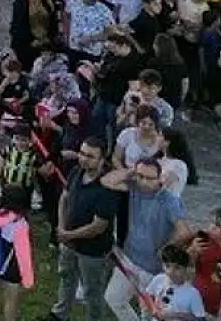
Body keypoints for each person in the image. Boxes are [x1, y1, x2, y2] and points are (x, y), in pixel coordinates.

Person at [103, 158, 193, 317]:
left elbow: (185, 231)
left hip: (152, 268)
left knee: (149, 312)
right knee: (113, 298)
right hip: (128, 258)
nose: (143, 181)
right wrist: (130, 172)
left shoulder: (169, 200)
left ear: (159, 178)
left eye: (149, 178)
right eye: (140, 176)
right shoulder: (132, 189)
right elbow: (106, 181)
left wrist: (167, 248)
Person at [48, 136, 113, 321]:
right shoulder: (77, 171)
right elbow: (65, 197)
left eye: (90, 156)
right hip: (69, 242)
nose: (84, 159)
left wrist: (67, 234)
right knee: (66, 278)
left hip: (92, 250)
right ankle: (60, 314)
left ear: (102, 160)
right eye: (82, 153)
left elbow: (99, 226)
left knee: (92, 291)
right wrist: (61, 226)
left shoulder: (107, 187)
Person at [0, 185, 36, 321]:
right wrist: (27, 278)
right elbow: (23, 254)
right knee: (12, 297)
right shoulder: (21, 224)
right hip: (12, 261)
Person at [141, 244, 206, 320]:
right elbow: (146, 295)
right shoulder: (159, 279)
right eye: (167, 266)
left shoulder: (193, 293)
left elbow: (200, 319)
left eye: (177, 268)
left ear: (186, 269)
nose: (171, 272)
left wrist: (177, 315)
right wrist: (153, 308)